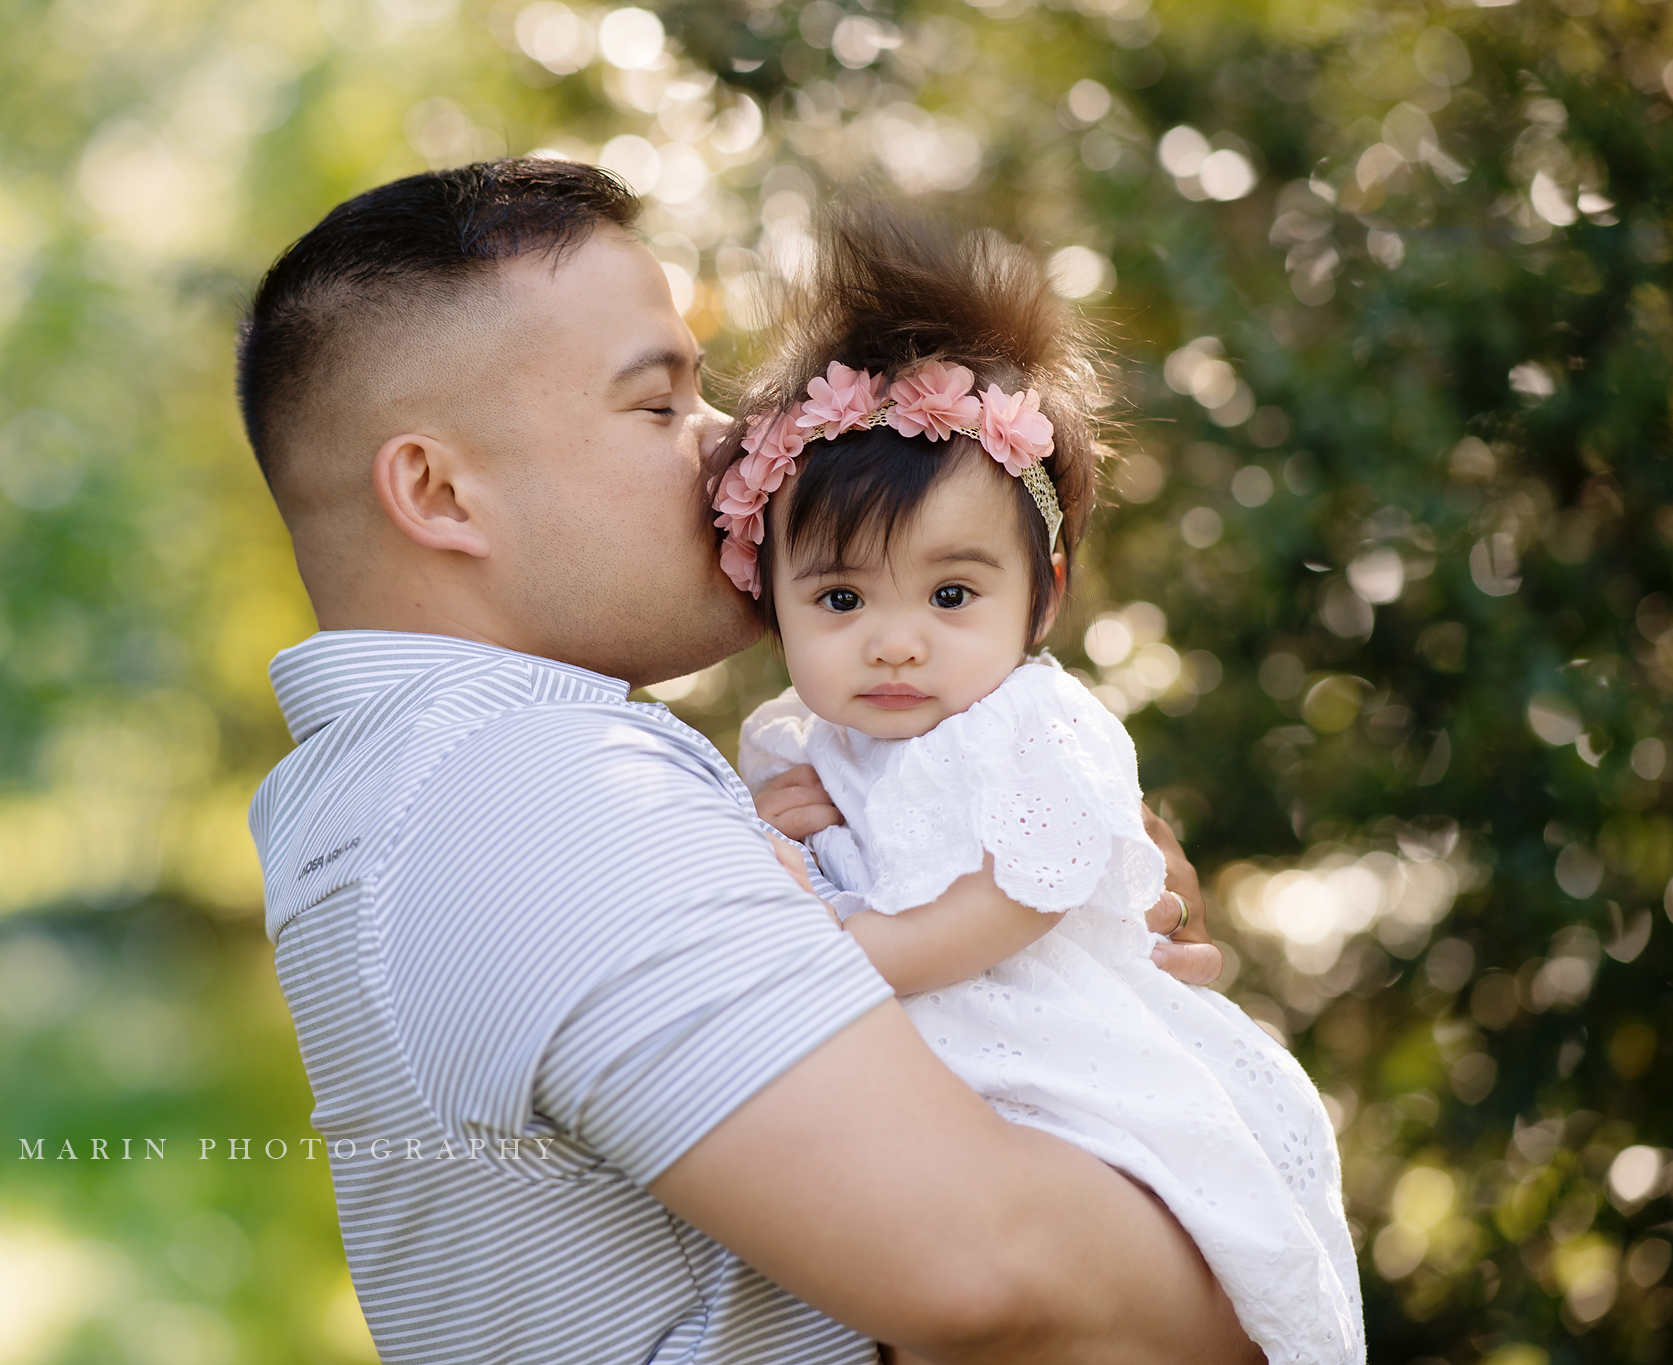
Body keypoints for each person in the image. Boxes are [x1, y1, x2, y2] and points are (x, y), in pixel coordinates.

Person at [237, 156, 1255, 1364]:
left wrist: (1087, 979)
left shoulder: (388, 791)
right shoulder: (536, 790)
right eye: (658, 405)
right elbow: (987, 1270)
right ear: (440, 491)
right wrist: (1252, 1249)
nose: (733, 451)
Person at [721, 206, 1364, 1365]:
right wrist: (774, 844)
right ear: (773, 602)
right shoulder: (791, 748)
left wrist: (840, 953)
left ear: (1043, 596)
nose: (895, 642)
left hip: (1068, 1068)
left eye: (950, 595)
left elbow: (1022, 895)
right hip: (925, 1099)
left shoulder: (1034, 724)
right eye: (839, 600)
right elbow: (774, 865)